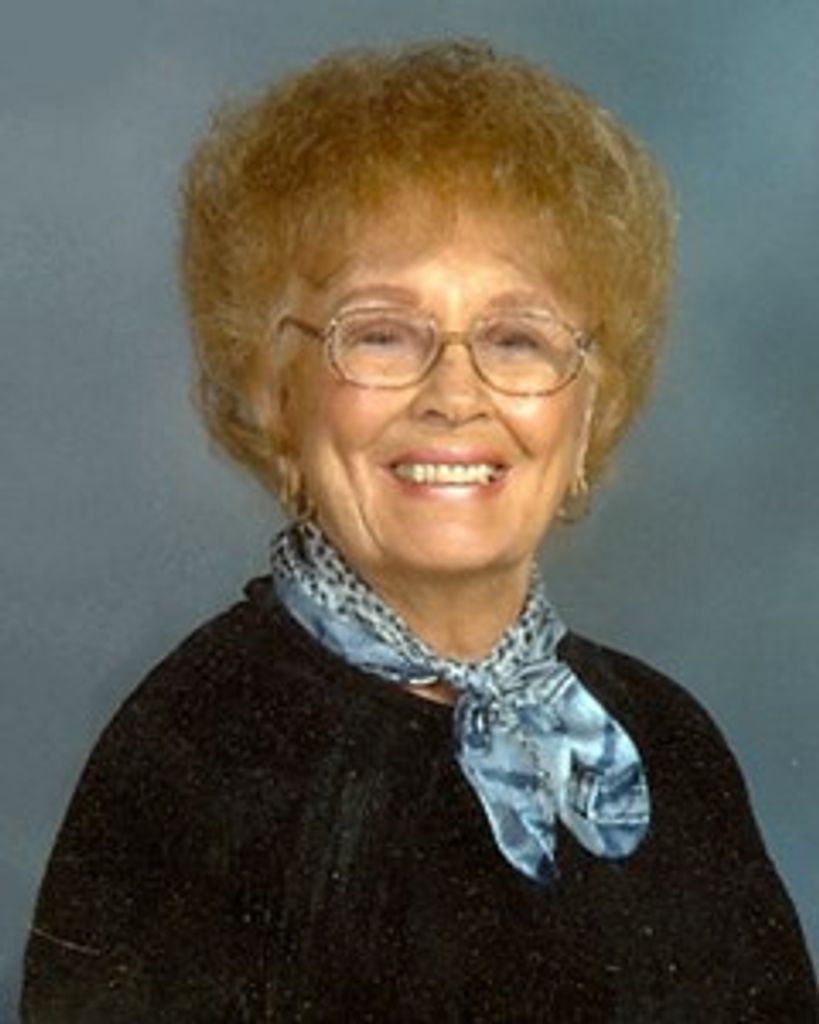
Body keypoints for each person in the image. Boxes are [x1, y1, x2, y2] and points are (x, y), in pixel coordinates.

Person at [21, 40, 816, 1022]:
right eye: (382, 334)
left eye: (515, 338)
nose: (453, 395)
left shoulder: (667, 743)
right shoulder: (189, 758)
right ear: (278, 401)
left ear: (588, 415)